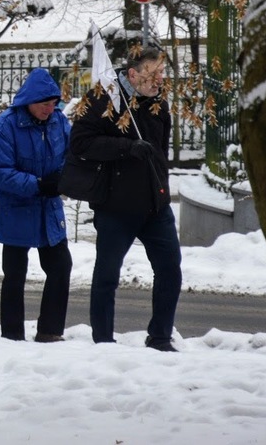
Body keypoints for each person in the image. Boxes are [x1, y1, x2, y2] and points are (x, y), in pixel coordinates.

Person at [70, 42, 179, 351]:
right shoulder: (103, 99)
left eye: (162, 72)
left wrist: (160, 184)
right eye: (153, 73)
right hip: (116, 205)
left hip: (155, 205)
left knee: (170, 269)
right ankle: (103, 340)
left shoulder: (158, 105)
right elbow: (80, 144)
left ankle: (160, 337)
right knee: (107, 275)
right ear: (132, 73)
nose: (159, 79)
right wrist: (127, 148)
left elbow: (160, 152)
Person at [0, 68, 72, 342]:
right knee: (15, 275)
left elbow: (71, 156)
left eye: (54, 103)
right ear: (30, 102)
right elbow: (3, 174)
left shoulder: (59, 121)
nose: (50, 109)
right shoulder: (5, 126)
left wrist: (64, 179)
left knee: (61, 267)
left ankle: (50, 331)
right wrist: (38, 184)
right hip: (17, 209)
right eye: (45, 104)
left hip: (49, 210)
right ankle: (12, 334)